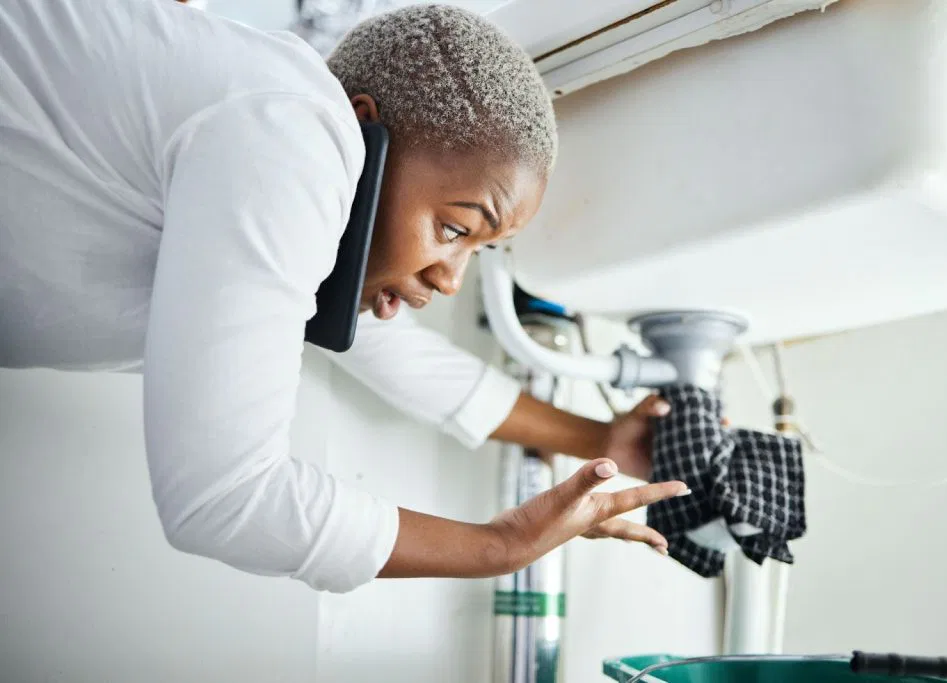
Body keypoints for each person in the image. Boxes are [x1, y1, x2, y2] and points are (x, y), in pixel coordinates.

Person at [0, 0, 687, 594]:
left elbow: (409, 363)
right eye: (453, 228)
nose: (451, 277)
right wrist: (501, 547)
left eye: (475, 249)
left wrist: (598, 438)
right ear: (360, 126)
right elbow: (223, 496)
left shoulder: (283, 185)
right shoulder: (301, 132)